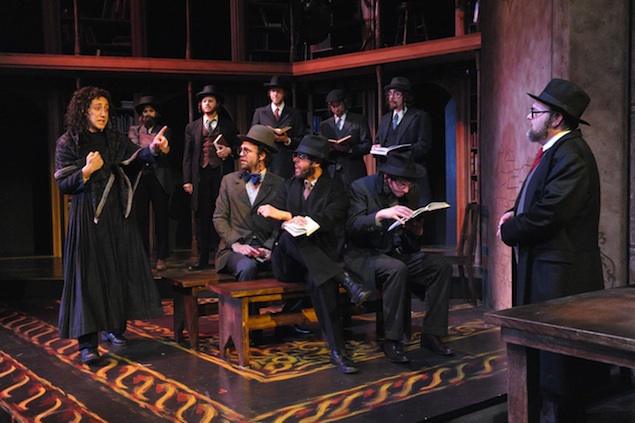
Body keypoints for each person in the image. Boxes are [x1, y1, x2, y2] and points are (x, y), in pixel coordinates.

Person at [497, 79, 604, 422]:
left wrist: (510, 229)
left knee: (557, 368)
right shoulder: (555, 151)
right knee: (543, 361)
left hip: (558, 276)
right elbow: (542, 199)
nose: (529, 117)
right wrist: (516, 212)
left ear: (556, 118)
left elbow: (553, 213)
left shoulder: (571, 154)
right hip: (545, 268)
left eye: (535, 112)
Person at [54, 86, 167, 365]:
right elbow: (63, 183)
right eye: (97, 108)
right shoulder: (68, 142)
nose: (103, 113)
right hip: (87, 216)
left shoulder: (115, 139)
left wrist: (153, 149)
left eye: (106, 108)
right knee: (88, 278)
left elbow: (136, 157)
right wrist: (86, 171)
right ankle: (87, 344)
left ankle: (114, 328)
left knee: (117, 272)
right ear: (84, 110)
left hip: (117, 214)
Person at [257, 135, 372, 374]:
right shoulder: (288, 186)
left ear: (317, 162)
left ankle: (338, 352)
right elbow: (273, 221)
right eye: (295, 156)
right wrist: (287, 218)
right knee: (289, 235)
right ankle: (345, 279)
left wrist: (288, 217)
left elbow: (326, 221)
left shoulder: (336, 191)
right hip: (287, 262)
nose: (295, 161)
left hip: (318, 263)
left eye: (301, 157)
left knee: (323, 282)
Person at [344, 148, 454, 363]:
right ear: (387, 177)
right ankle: (392, 340)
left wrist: (416, 231)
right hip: (365, 256)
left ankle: (432, 334)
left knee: (441, 266)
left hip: (396, 253)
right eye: (402, 184)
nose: (406, 189)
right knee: (396, 269)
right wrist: (379, 215)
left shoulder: (410, 192)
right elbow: (351, 227)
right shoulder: (361, 187)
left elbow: (410, 239)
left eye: (410, 184)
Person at [213, 124, 283, 281]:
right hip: (234, 248)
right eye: (241, 150)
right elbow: (219, 218)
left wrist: (269, 247)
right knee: (247, 267)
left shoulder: (279, 184)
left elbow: (280, 224)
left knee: (291, 264)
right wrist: (236, 244)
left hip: (266, 247)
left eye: (247, 151)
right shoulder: (229, 181)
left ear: (262, 155)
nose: (241, 155)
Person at [183, 85, 240, 271]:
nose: (206, 103)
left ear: (217, 104)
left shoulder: (228, 125)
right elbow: (188, 155)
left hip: (221, 174)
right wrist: (187, 180)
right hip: (200, 175)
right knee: (203, 215)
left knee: (222, 213)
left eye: (210, 100)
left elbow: (239, 148)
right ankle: (202, 258)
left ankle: (223, 256)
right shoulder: (192, 127)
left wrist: (230, 151)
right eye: (204, 101)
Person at [319, 88, 372, 259]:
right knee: (336, 209)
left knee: (355, 208)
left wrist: (349, 149)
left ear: (344, 103)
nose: (335, 109)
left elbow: (367, 145)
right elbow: (321, 147)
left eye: (338, 105)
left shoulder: (358, 120)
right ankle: (338, 250)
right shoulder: (325, 125)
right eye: (332, 106)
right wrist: (330, 148)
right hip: (333, 170)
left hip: (352, 169)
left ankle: (356, 249)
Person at [128, 95, 174, 271]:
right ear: (141, 115)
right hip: (140, 176)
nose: (148, 114)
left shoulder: (164, 130)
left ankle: (162, 257)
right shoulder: (134, 130)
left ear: (156, 114)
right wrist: (153, 146)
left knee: (161, 218)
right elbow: (134, 150)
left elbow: (165, 150)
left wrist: (159, 147)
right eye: (145, 111)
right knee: (140, 219)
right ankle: (144, 257)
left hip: (159, 176)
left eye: (151, 111)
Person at [373, 76, 432, 207]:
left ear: (405, 97)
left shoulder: (419, 116)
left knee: (412, 211)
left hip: (410, 174)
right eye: (390, 94)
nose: (392, 97)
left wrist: (400, 154)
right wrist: (376, 148)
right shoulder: (385, 119)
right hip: (388, 175)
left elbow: (424, 145)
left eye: (396, 94)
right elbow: (378, 141)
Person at [251, 76, 306, 179]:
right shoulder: (260, 112)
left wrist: (287, 140)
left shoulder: (294, 113)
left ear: (284, 93)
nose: (275, 94)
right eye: (273, 91)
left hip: (285, 163)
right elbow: (253, 138)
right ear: (269, 93)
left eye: (278, 91)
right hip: (265, 161)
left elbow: (301, 139)